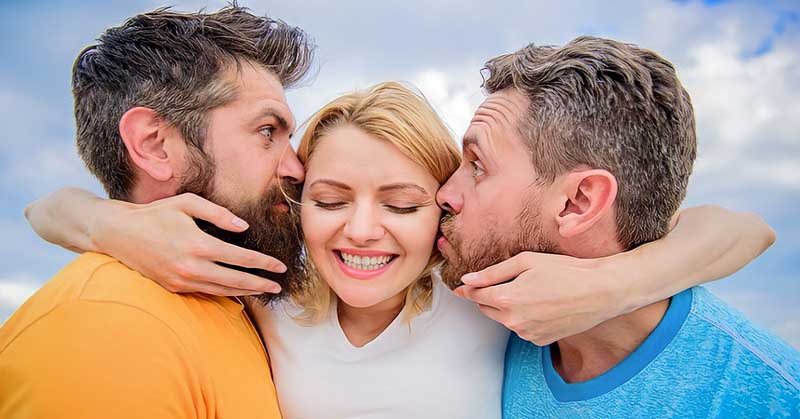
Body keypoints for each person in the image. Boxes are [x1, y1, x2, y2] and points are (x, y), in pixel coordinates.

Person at [22, 75, 776, 419]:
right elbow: (44, 206)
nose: (360, 230)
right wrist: (109, 223)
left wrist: (617, 282)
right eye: (328, 199)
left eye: (403, 203)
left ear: (442, 205)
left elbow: (742, 228)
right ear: (299, 199)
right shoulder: (270, 287)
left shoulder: (477, 289)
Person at [432, 36, 799, 417]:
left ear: (579, 202)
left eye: (477, 166)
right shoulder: (484, 325)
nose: (444, 193)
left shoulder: (771, 397)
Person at [0, 6, 314, 419]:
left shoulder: (241, 304)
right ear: (154, 145)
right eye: (267, 132)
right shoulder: (108, 329)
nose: (296, 168)